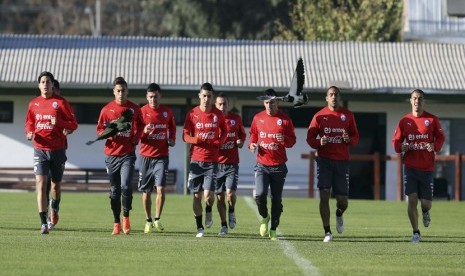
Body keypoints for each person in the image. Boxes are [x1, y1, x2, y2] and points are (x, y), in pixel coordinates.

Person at [25, 71, 78, 234]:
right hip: (40, 148)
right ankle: (43, 223)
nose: (45, 84)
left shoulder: (61, 103)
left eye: (48, 81)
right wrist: (29, 132)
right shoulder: (33, 104)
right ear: (39, 85)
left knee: (55, 186)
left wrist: (60, 123)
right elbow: (29, 123)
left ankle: (54, 208)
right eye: (42, 81)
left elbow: (74, 124)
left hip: (57, 150)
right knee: (40, 183)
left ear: (52, 84)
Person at [306, 86, 359, 242]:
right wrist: (319, 142)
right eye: (331, 94)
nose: (333, 96)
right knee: (324, 195)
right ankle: (327, 232)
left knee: (343, 201)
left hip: (342, 162)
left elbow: (355, 137)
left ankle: (339, 213)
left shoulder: (347, 116)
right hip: (324, 161)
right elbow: (310, 139)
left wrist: (349, 140)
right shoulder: (319, 116)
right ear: (326, 98)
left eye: (336, 94)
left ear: (339, 97)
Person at [392, 89, 445, 243]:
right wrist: (402, 147)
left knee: (426, 203)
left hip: (427, 167)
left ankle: (425, 211)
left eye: (420, 98)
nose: (417, 101)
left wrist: (434, 146)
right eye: (414, 98)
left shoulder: (432, 119)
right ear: (410, 101)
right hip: (410, 167)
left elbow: (441, 137)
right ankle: (416, 232)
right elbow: (396, 142)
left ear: (424, 101)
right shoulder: (404, 121)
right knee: (412, 199)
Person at [97, 76, 144, 235]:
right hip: (111, 155)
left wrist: (135, 139)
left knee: (126, 186)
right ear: (114, 92)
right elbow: (99, 130)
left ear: (127, 91)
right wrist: (110, 135)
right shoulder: (106, 110)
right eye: (118, 91)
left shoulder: (134, 109)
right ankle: (116, 222)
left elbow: (141, 125)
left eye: (123, 90)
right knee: (115, 191)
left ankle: (126, 217)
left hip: (127, 154)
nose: (121, 93)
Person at [248, 88, 296, 241]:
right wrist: (252, 145)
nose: (269, 106)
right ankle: (264, 217)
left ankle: (274, 229)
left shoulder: (285, 120)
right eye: (267, 103)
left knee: (276, 199)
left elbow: (292, 141)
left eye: (272, 103)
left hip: (278, 166)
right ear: (264, 103)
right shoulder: (257, 118)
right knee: (260, 195)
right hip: (262, 165)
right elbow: (253, 135)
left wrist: (284, 140)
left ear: (278, 103)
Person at [183, 82, 227, 238]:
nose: (206, 99)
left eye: (209, 96)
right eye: (204, 96)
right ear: (199, 96)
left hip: (212, 162)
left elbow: (225, 132)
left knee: (208, 196)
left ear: (212, 97)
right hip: (196, 161)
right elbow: (185, 136)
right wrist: (196, 140)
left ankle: (209, 211)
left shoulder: (218, 115)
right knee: (197, 196)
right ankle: (199, 228)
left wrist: (219, 142)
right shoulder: (192, 114)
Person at [138, 83, 176, 234]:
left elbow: (172, 128)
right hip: (146, 156)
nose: (153, 99)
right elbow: (135, 133)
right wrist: (144, 131)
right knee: (146, 192)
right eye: (150, 97)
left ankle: (157, 219)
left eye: (156, 96)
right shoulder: (141, 112)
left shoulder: (167, 112)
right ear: (147, 97)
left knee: (160, 189)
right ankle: (148, 221)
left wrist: (172, 139)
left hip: (162, 156)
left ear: (161, 96)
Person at [214, 93, 246, 235]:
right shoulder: (212, 120)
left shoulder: (235, 119)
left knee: (230, 193)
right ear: (215, 105)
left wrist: (240, 142)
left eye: (224, 104)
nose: (222, 107)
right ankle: (223, 225)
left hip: (231, 163)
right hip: (215, 165)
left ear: (228, 105)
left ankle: (232, 211)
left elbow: (242, 134)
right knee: (220, 197)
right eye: (219, 104)